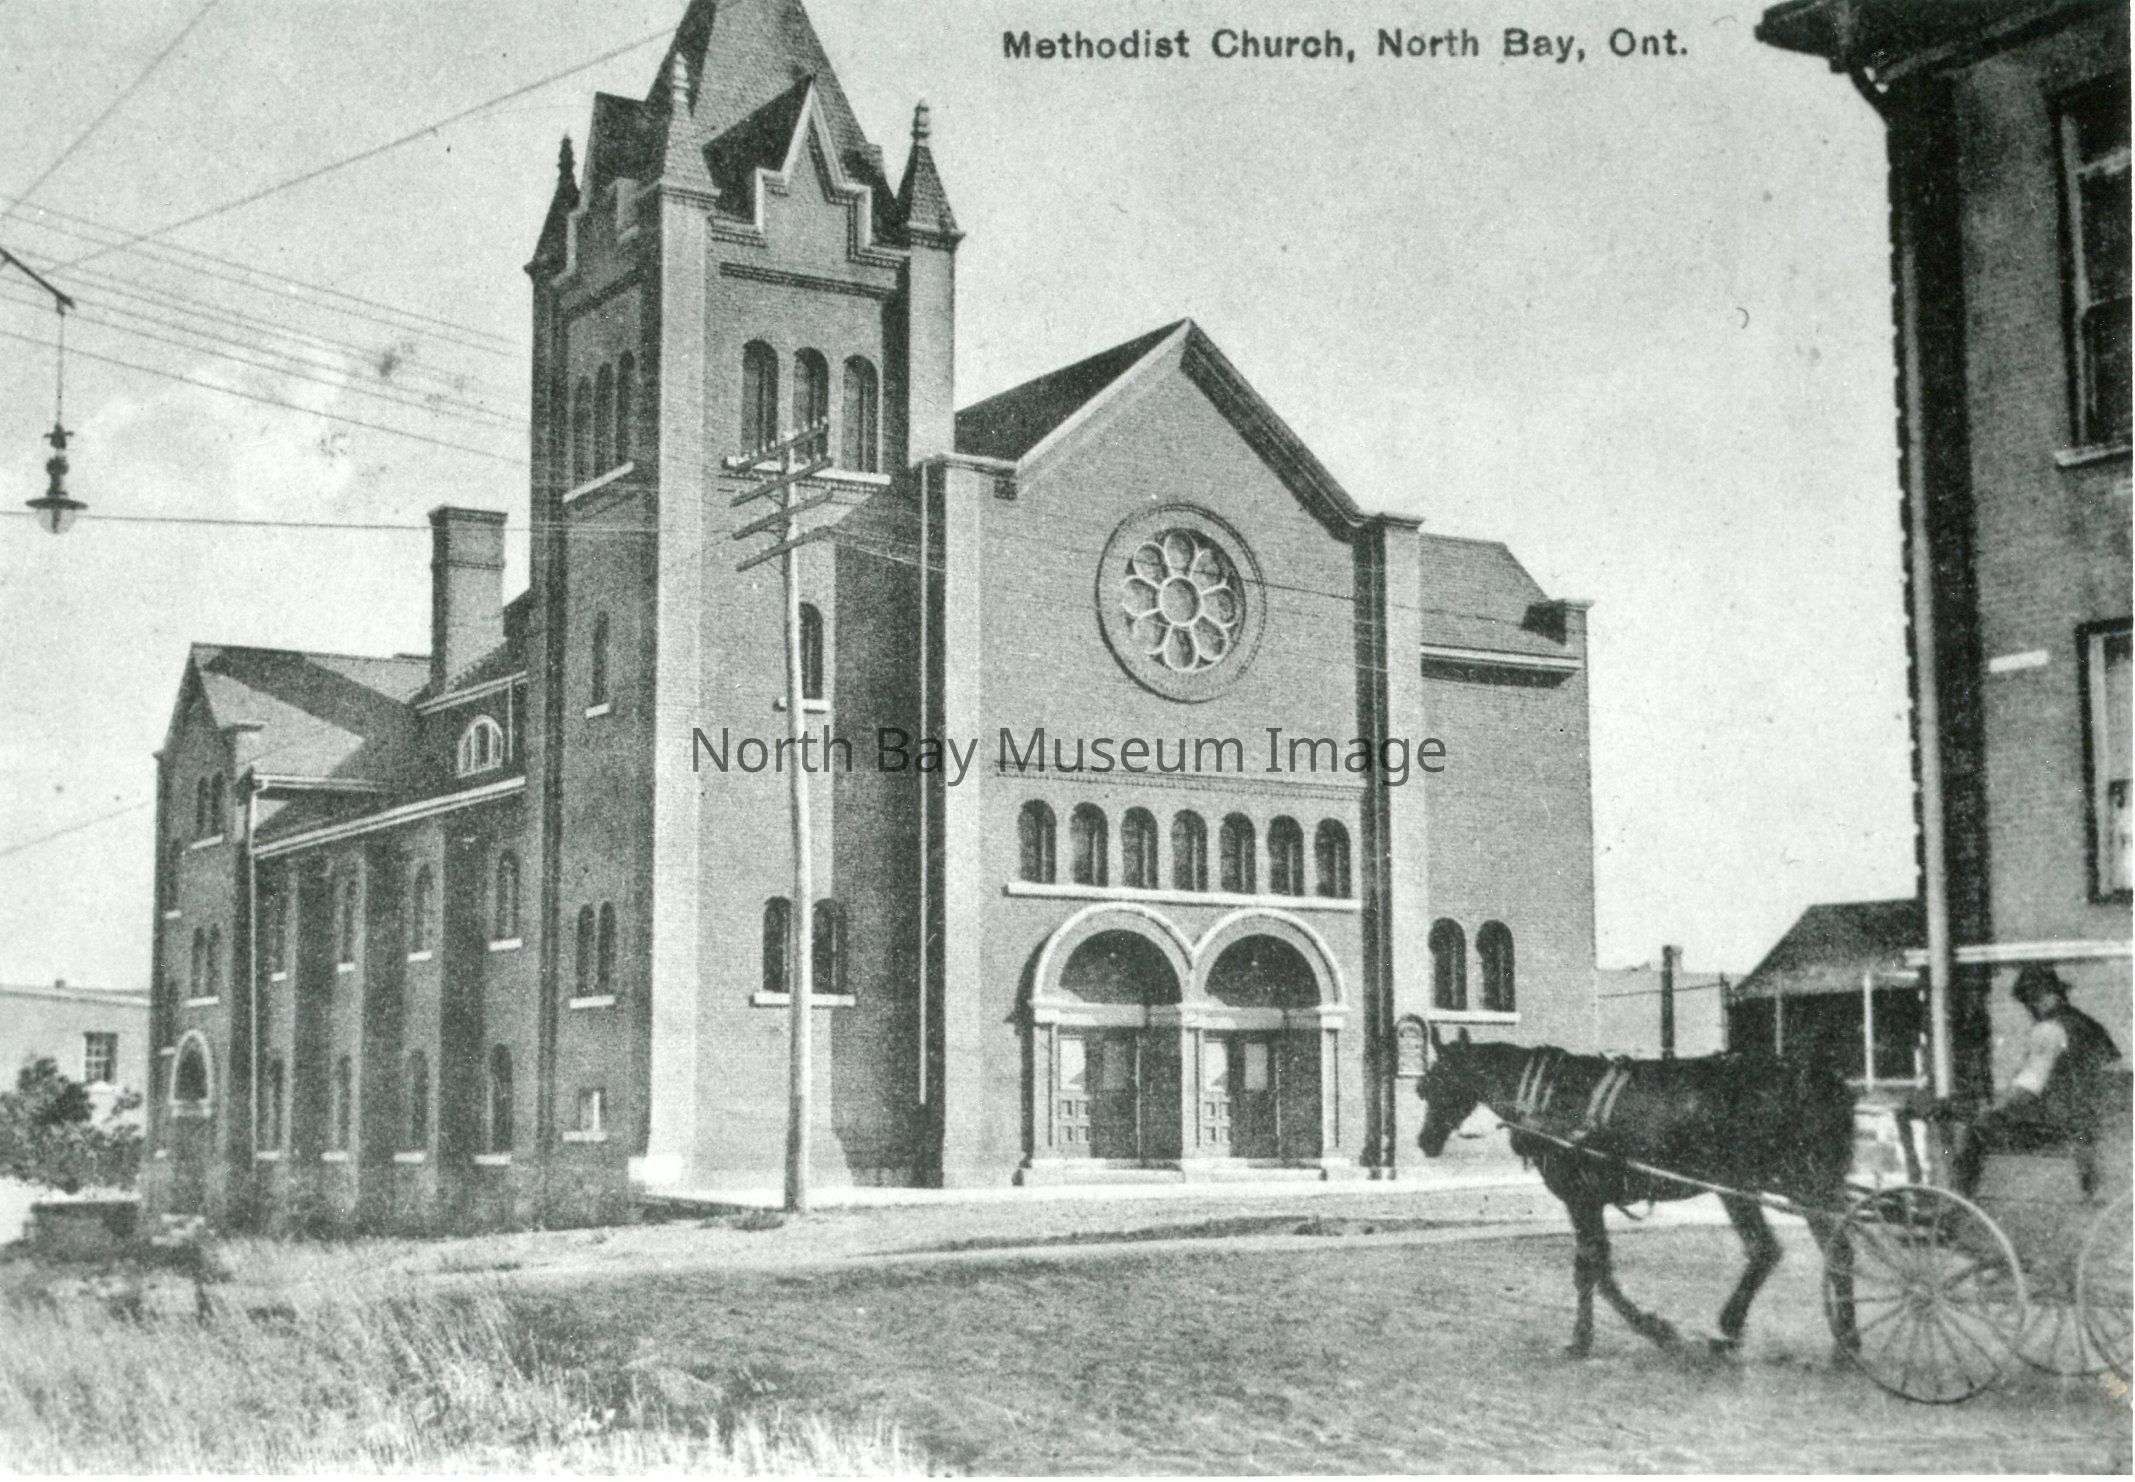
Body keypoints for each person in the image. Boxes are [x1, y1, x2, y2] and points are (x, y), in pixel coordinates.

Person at [1952, 963, 2123, 1196]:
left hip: (2059, 1126)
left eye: (2027, 1003)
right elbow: (2113, 1075)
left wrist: (1995, 1109)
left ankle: (1961, 1200)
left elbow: (2028, 1087)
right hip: (2089, 1123)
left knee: (1974, 1130)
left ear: (2036, 998)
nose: (2029, 1011)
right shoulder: (2091, 1026)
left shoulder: (2048, 1029)